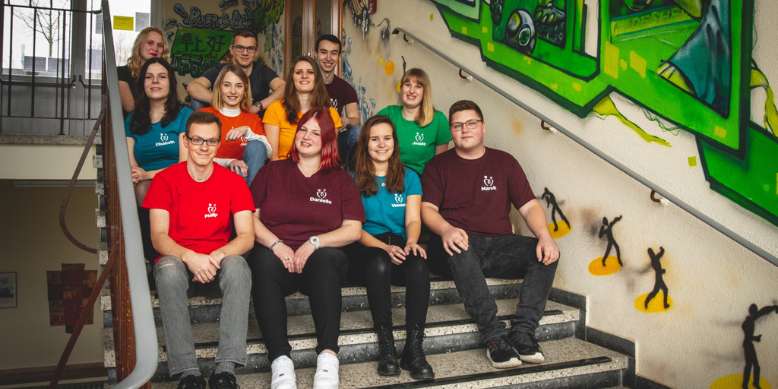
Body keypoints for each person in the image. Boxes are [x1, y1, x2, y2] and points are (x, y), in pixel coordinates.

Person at [421, 100, 559, 369]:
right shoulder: (438, 166)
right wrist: (446, 229)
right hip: (453, 245)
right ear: (451, 131)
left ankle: (522, 332)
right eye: (458, 125)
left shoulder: (504, 162)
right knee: (459, 246)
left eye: (471, 123)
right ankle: (494, 337)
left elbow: (529, 206)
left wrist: (545, 235)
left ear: (482, 127)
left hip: (497, 246)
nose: (465, 129)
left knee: (547, 253)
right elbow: (427, 210)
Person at [248, 108, 363, 389]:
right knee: (260, 261)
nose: (307, 136)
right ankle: (280, 361)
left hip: (320, 261)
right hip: (278, 257)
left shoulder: (339, 179)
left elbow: (353, 229)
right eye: (302, 130)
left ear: (327, 140)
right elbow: (250, 218)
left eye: (315, 132)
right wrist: (276, 244)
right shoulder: (271, 172)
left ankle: (327, 357)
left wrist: (314, 243)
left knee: (326, 260)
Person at [143, 111, 255, 389]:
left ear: (218, 144)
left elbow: (247, 236)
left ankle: (225, 370)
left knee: (239, 266)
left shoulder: (234, 182)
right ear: (185, 140)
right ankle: (188, 372)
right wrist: (190, 257)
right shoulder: (165, 180)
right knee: (167, 270)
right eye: (197, 140)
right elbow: (158, 236)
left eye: (211, 141)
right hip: (179, 262)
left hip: (217, 263)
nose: (204, 147)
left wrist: (216, 256)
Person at [343, 115, 434, 379]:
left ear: (394, 142)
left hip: (400, 241)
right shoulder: (351, 179)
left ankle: (414, 349)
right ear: (365, 143)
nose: (381, 144)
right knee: (379, 262)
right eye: (374, 139)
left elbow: (414, 219)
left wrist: (412, 242)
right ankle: (387, 346)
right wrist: (383, 248)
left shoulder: (410, 177)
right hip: (365, 245)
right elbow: (354, 228)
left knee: (418, 265)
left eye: (386, 138)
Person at [125, 57, 192, 205]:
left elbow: (183, 164)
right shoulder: (132, 119)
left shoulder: (184, 114)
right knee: (143, 189)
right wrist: (139, 175)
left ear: (171, 84)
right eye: (149, 77)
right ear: (143, 84)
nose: (155, 81)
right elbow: (132, 164)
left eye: (162, 77)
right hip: (145, 185)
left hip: (177, 180)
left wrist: (148, 174)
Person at [198, 64, 272, 183]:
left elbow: (267, 152)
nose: (233, 91)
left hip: (244, 180)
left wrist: (247, 131)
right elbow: (196, 155)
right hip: (213, 177)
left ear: (245, 90)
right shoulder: (204, 115)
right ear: (219, 87)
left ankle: (246, 199)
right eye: (227, 85)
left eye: (239, 86)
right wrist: (229, 162)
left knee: (257, 145)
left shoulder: (252, 119)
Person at [263, 56, 342, 160]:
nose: (304, 76)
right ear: (292, 78)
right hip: (283, 170)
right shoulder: (275, 109)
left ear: (317, 78)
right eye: (299, 72)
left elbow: (329, 154)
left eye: (310, 72)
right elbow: (273, 157)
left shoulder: (331, 114)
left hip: (317, 171)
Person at [187, 30, 285, 113]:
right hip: (223, 120)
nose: (245, 53)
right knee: (196, 100)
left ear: (256, 52)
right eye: (240, 48)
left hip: (254, 123)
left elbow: (284, 87)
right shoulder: (220, 69)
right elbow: (193, 86)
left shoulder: (262, 70)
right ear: (231, 50)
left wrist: (258, 106)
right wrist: (220, 100)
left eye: (250, 49)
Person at [377, 68, 450, 174]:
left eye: (418, 86)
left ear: (425, 92)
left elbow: (440, 165)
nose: (411, 90)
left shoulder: (438, 120)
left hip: (422, 181)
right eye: (407, 85)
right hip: (389, 177)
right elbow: (370, 146)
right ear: (401, 89)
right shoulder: (387, 114)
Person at [315, 34, 360, 167]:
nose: (328, 58)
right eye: (323, 52)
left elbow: (355, 118)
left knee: (358, 133)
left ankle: (350, 181)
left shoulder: (345, 88)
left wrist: (344, 121)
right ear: (316, 54)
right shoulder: (307, 83)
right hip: (311, 136)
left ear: (338, 57)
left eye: (333, 53)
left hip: (335, 138)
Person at [118, 26, 167, 113]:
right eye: (150, 43)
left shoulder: (166, 75)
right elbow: (130, 108)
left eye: (160, 45)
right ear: (140, 45)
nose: (155, 48)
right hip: (133, 124)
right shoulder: (121, 73)